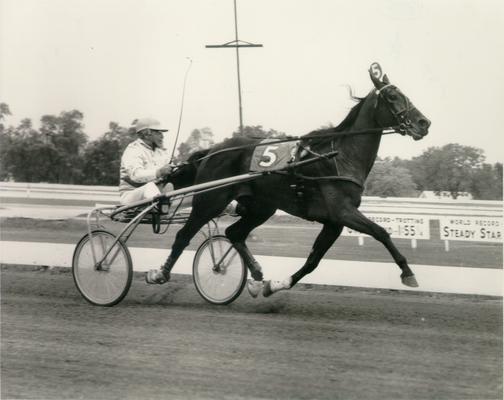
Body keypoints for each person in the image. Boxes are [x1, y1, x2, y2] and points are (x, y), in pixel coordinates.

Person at [119, 117, 174, 205]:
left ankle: (163, 207)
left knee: (170, 185)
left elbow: (168, 172)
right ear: (147, 133)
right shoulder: (133, 149)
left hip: (156, 195)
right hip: (131, 196)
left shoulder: (161, 152)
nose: (162, 136)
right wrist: (159, 172)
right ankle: (162, 206)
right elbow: (136, 175)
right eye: (158, 132)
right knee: (149, 187)